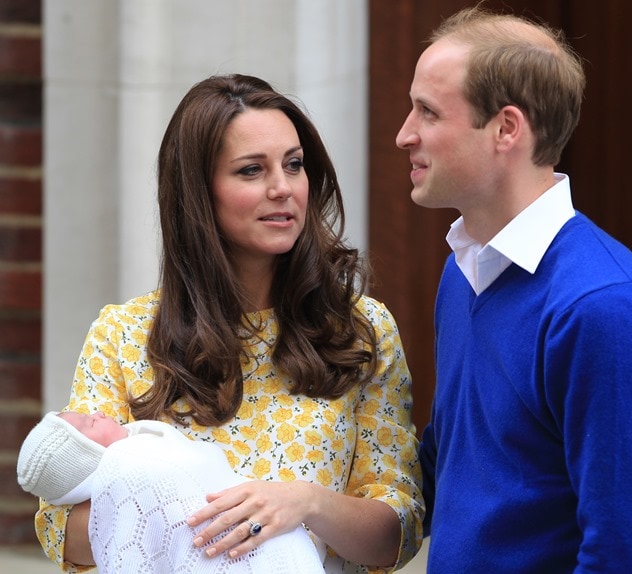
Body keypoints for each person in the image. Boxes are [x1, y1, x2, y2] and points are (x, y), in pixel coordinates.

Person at [35, 73, 424, 574]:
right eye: (251, 171)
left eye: (294, 165)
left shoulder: (360, 329)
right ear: (199, 193)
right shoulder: (124, 333)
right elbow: (59, 529)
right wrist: (192, 513)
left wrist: (305, 503)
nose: (282, 188)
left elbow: (400, 529)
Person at [395, 5, 632, 573]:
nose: (405, 134)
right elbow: (444, 472)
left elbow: (627, 557)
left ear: (506, 129)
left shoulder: (603, 309)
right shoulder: (464, 272)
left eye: (428, 112)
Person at [18, 411, 325, 573]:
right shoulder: (129, 467)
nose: (97, 412)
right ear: (84, 455)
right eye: (87, 423)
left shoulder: (148, 449)